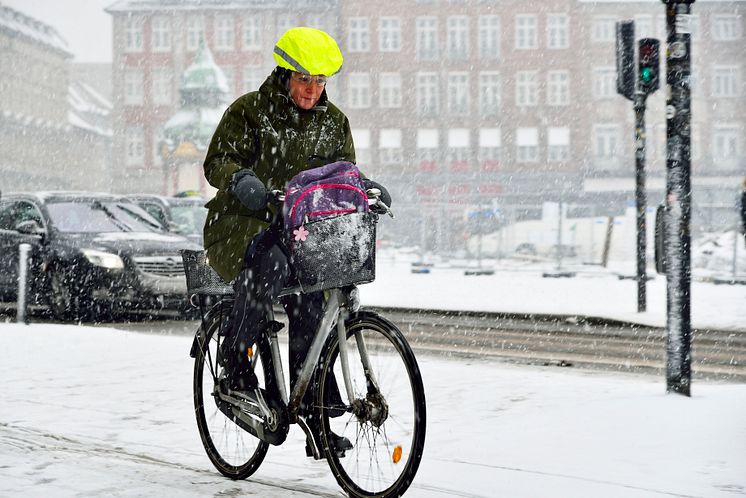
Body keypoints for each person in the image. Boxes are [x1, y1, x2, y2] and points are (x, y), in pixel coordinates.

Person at [201, 27, 389, 456]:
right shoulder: (251, 111)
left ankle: (314, 410)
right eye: (305, 79)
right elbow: (217, 161)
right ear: (285, 74)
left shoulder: (334, 122)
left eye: (320, 81)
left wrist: (367, 189)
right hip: (241, 224)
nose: (312, 89)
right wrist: (241, 179)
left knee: (315, 300)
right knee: (271, 265)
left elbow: (344, 178)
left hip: (300, 230)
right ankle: (235, 359)